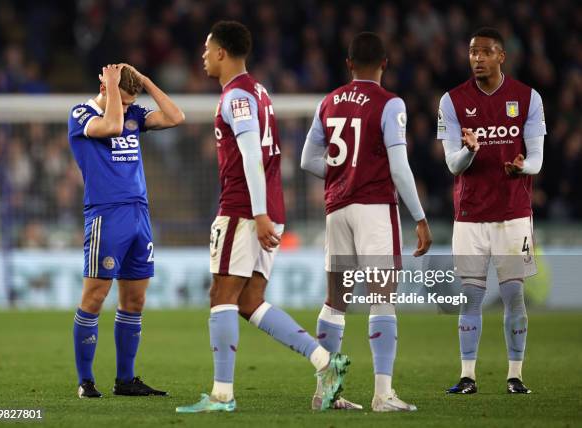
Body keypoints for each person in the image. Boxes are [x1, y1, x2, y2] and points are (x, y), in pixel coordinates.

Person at [176, 20, 349, 413]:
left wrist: (257, 213)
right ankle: (325, 361)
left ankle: (222, 395)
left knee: (221, 295)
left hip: (244, 209)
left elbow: (253, 153)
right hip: (267, 207)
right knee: (250, 300)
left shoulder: (237, 96)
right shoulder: (259, 91)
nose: (203, 56)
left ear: (221, 52)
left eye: (207, 49)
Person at [301, 32, 432, 412]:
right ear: (385, 64)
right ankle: (383, 394)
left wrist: (343, 174)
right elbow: (399, 166)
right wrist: (420, 217)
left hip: (337, 208)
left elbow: (308, 161)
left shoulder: (328, 102)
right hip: (374, 207)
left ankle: (326, 392)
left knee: (335, 302)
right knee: (382, 300)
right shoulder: (390, 104)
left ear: (348, 63)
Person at [437, 27, 546, 394]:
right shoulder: (452, 101)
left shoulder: (528, 99)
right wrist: (470, 150)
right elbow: (453, 164)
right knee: (470, 296)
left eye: (485, 52)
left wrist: (522, 168)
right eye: (472, 52)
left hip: (513, 214)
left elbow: (537, 158)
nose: (477, 58)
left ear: (502, 56)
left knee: (514, 294)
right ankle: (468, 376)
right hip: (469, 216)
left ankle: (515, 375)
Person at [68, 63, 185, 398]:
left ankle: (125, 379)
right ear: (105, 86)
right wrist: (115, 85)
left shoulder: (133, 111)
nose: (130, 105)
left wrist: (146, 81)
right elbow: (113, 124)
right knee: (95, 296)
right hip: (106, 216)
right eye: (124, 97)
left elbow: (176, 117)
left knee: (135, 299)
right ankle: (86, 380)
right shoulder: (80, 114)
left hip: (139, 215)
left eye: (133, 100)